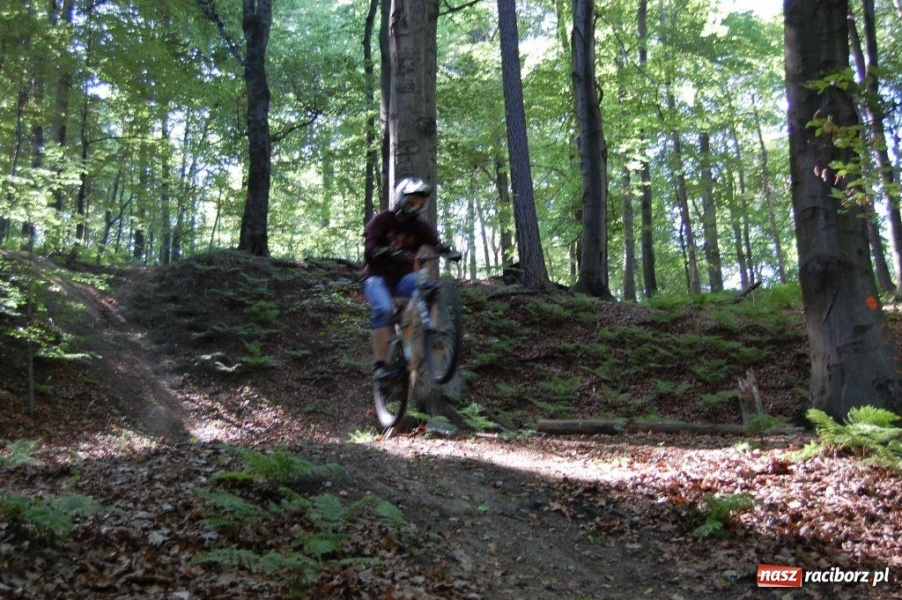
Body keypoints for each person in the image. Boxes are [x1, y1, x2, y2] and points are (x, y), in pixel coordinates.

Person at [362, 176, 457, 379]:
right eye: (412, 202)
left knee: (428, 288)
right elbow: (369, 248)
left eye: (420, 203)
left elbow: (436, 244)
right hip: (376, 278)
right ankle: (379, 364)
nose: (416, 207)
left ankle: (432, 333)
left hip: (402, 279)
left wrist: (449, 252)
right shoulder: (382, 221)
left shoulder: (420, 227)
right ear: (401, 199)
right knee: (384, 309)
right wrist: (385, 251)